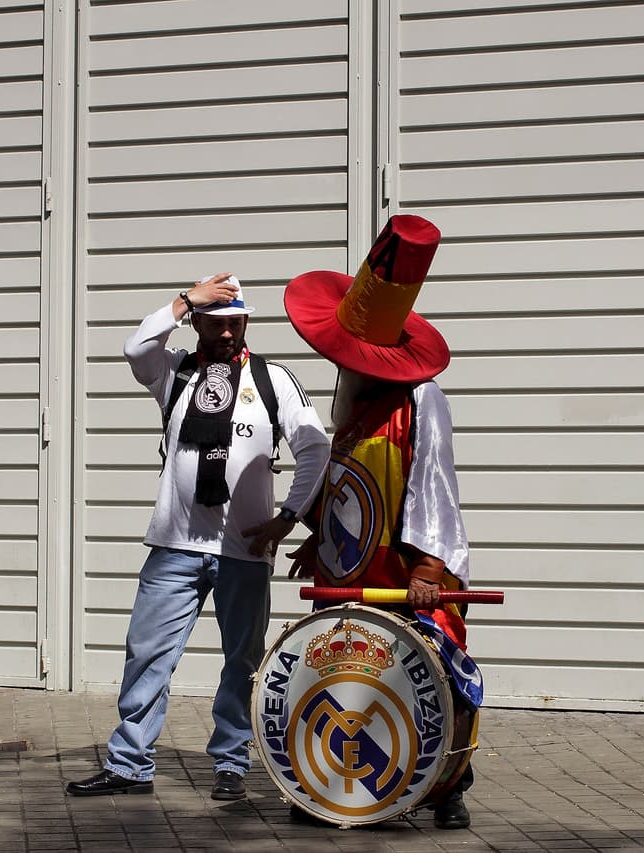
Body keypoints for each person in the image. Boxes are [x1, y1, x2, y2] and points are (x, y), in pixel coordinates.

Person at [66, 272, 330, 801]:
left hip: (244, 551)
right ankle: (129, 764)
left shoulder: (273, 379)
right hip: (175, 544)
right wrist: (185, 301)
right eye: (215, 323)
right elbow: (135, 345)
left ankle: (231, 763)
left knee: (242, 661)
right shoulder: (176, 373)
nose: (226, 332)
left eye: (235, 322)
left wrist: (289, 516)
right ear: (200, 326)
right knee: (146, 653)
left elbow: (315, 447)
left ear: (247, 322)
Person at [282, 215, 477, 829]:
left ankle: (448, 786)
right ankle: (342, 787)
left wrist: (428, 566)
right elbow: (347, 486)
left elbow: (433, 483)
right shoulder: (354, 403)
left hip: (408, 570)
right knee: (346, 674)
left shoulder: (421, 398)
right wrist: (319, 539)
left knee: (432, 675)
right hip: (355, 570)